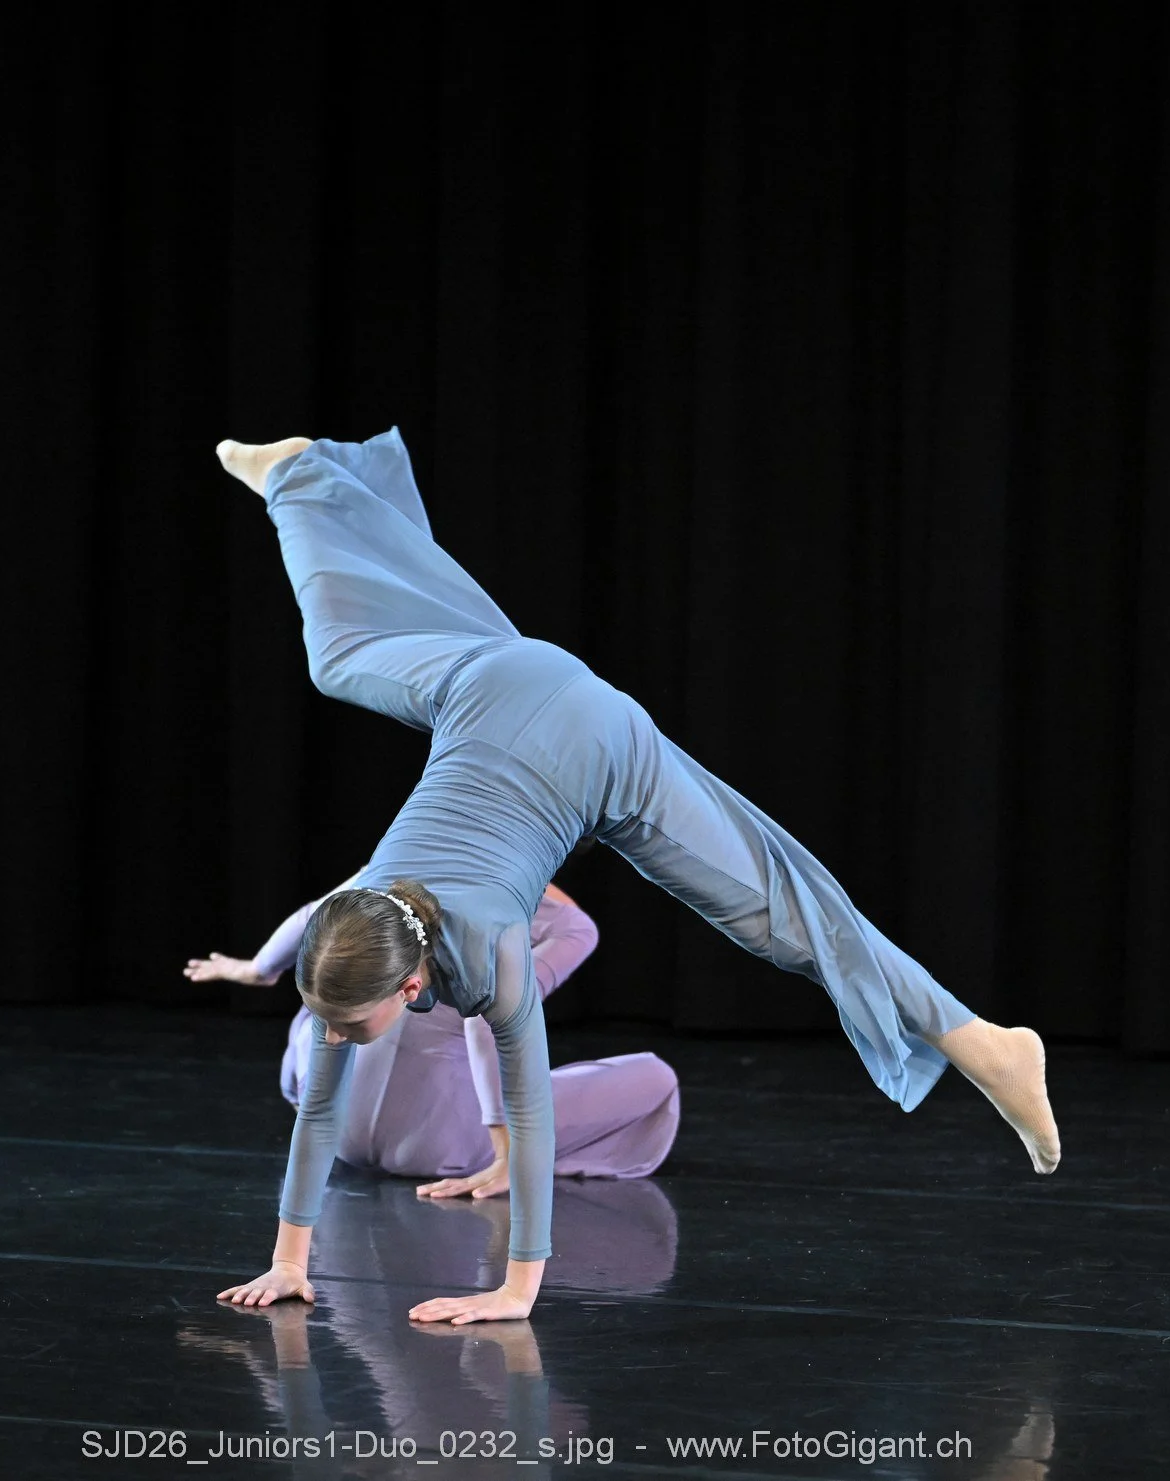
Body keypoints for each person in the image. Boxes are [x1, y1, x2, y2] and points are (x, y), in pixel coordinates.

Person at [212, 428, 1059, 1327]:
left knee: (775, 910)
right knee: (338, 655)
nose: (331, 1033)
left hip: (594, 743)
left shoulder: (493, 953)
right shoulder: (352, 941)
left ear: (411, 985)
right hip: (487, 679)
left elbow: (530, 1115)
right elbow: (317, 1114)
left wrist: (516, 1289)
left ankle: (984, 1042)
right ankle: (298, 471)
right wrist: (288, 1262)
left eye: (344, 1022)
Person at [185, 874, 679, 1194]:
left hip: (336, 1130)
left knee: (328, 991)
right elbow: (492, 1020)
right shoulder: (525, 899)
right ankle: (501, 1150)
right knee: (656, 1079)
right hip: (442, 1146)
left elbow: (314, 915)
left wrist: (256, 970)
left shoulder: (390, 866)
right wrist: (506, 1150)